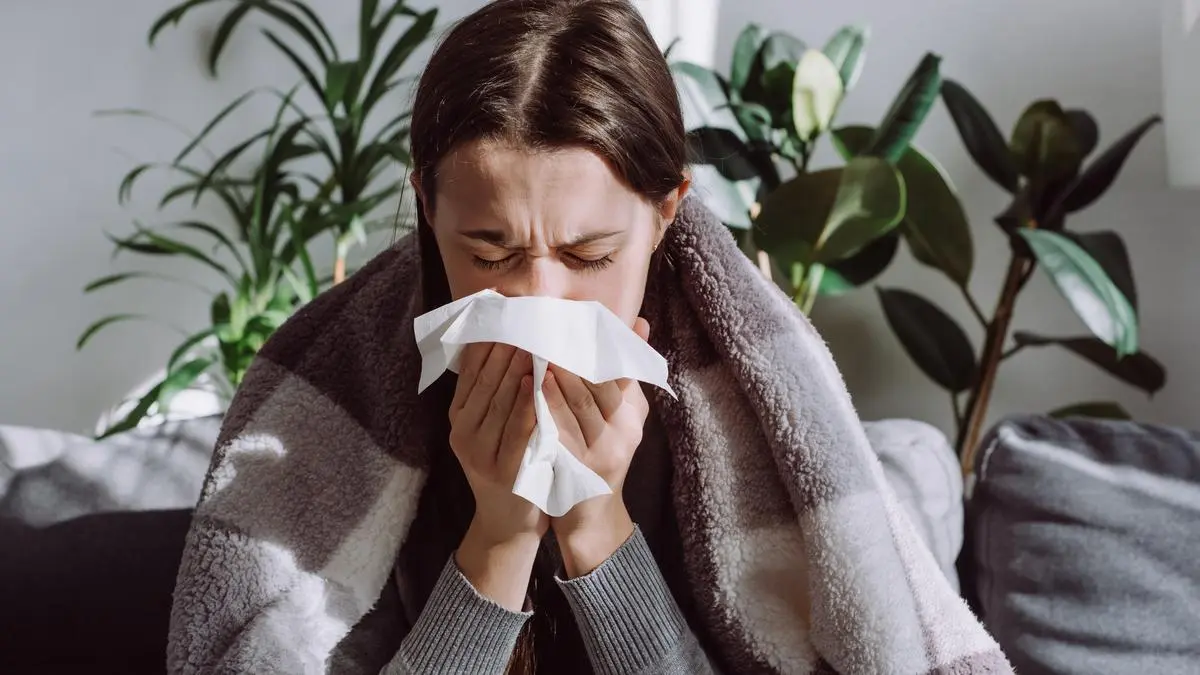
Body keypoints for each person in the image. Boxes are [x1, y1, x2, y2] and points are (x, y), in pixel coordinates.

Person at [167, 1, 1011, 673]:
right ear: (428, 205)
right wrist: (497, 541)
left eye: (588, 255)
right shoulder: (339, 390)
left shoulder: (745, 407)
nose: (541, 295)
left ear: (666, 213)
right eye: (489, 252)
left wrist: (594, 522)